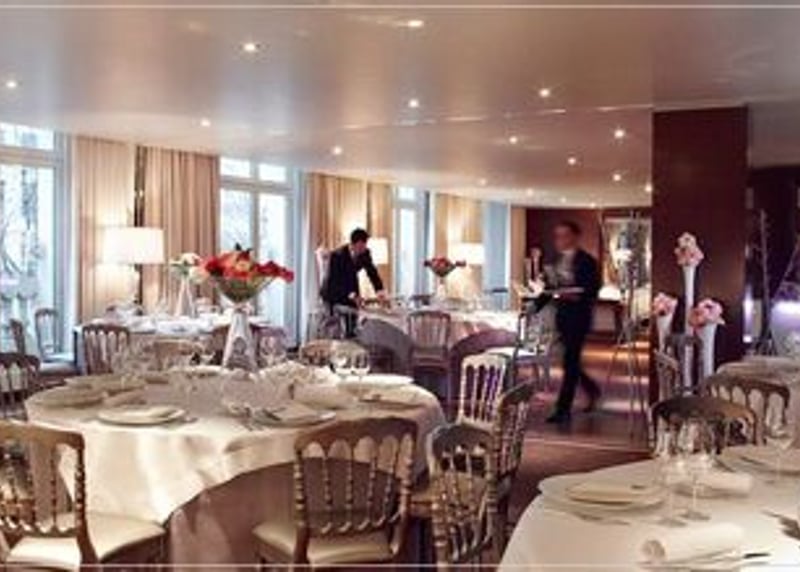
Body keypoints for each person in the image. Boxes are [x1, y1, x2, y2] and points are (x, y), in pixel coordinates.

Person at [546, 220, 602, 424]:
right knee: (570, 362)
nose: (560, 240)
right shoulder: (556, 260)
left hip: (579, 318)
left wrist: (574, 295)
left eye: (564, 235)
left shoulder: (587, 261)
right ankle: (591, 389)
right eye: (557, 235)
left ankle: (563, 409)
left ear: (575, 237)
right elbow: (549, 287)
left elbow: (592, 290)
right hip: (562, 317)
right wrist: (537, 304)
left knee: (570, 362)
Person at [321, 228, 385, 336]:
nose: (362, 250)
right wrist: (353, 295)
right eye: (360, 247)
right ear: (353, 244)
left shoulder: (365, 253)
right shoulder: (337, 255)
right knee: (339, 324)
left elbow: (372, 272)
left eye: (364, 246)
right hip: (333, 291)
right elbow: (335, 283)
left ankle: (351, 336)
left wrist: (380, 291)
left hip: (350, 286)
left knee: (353, 322)